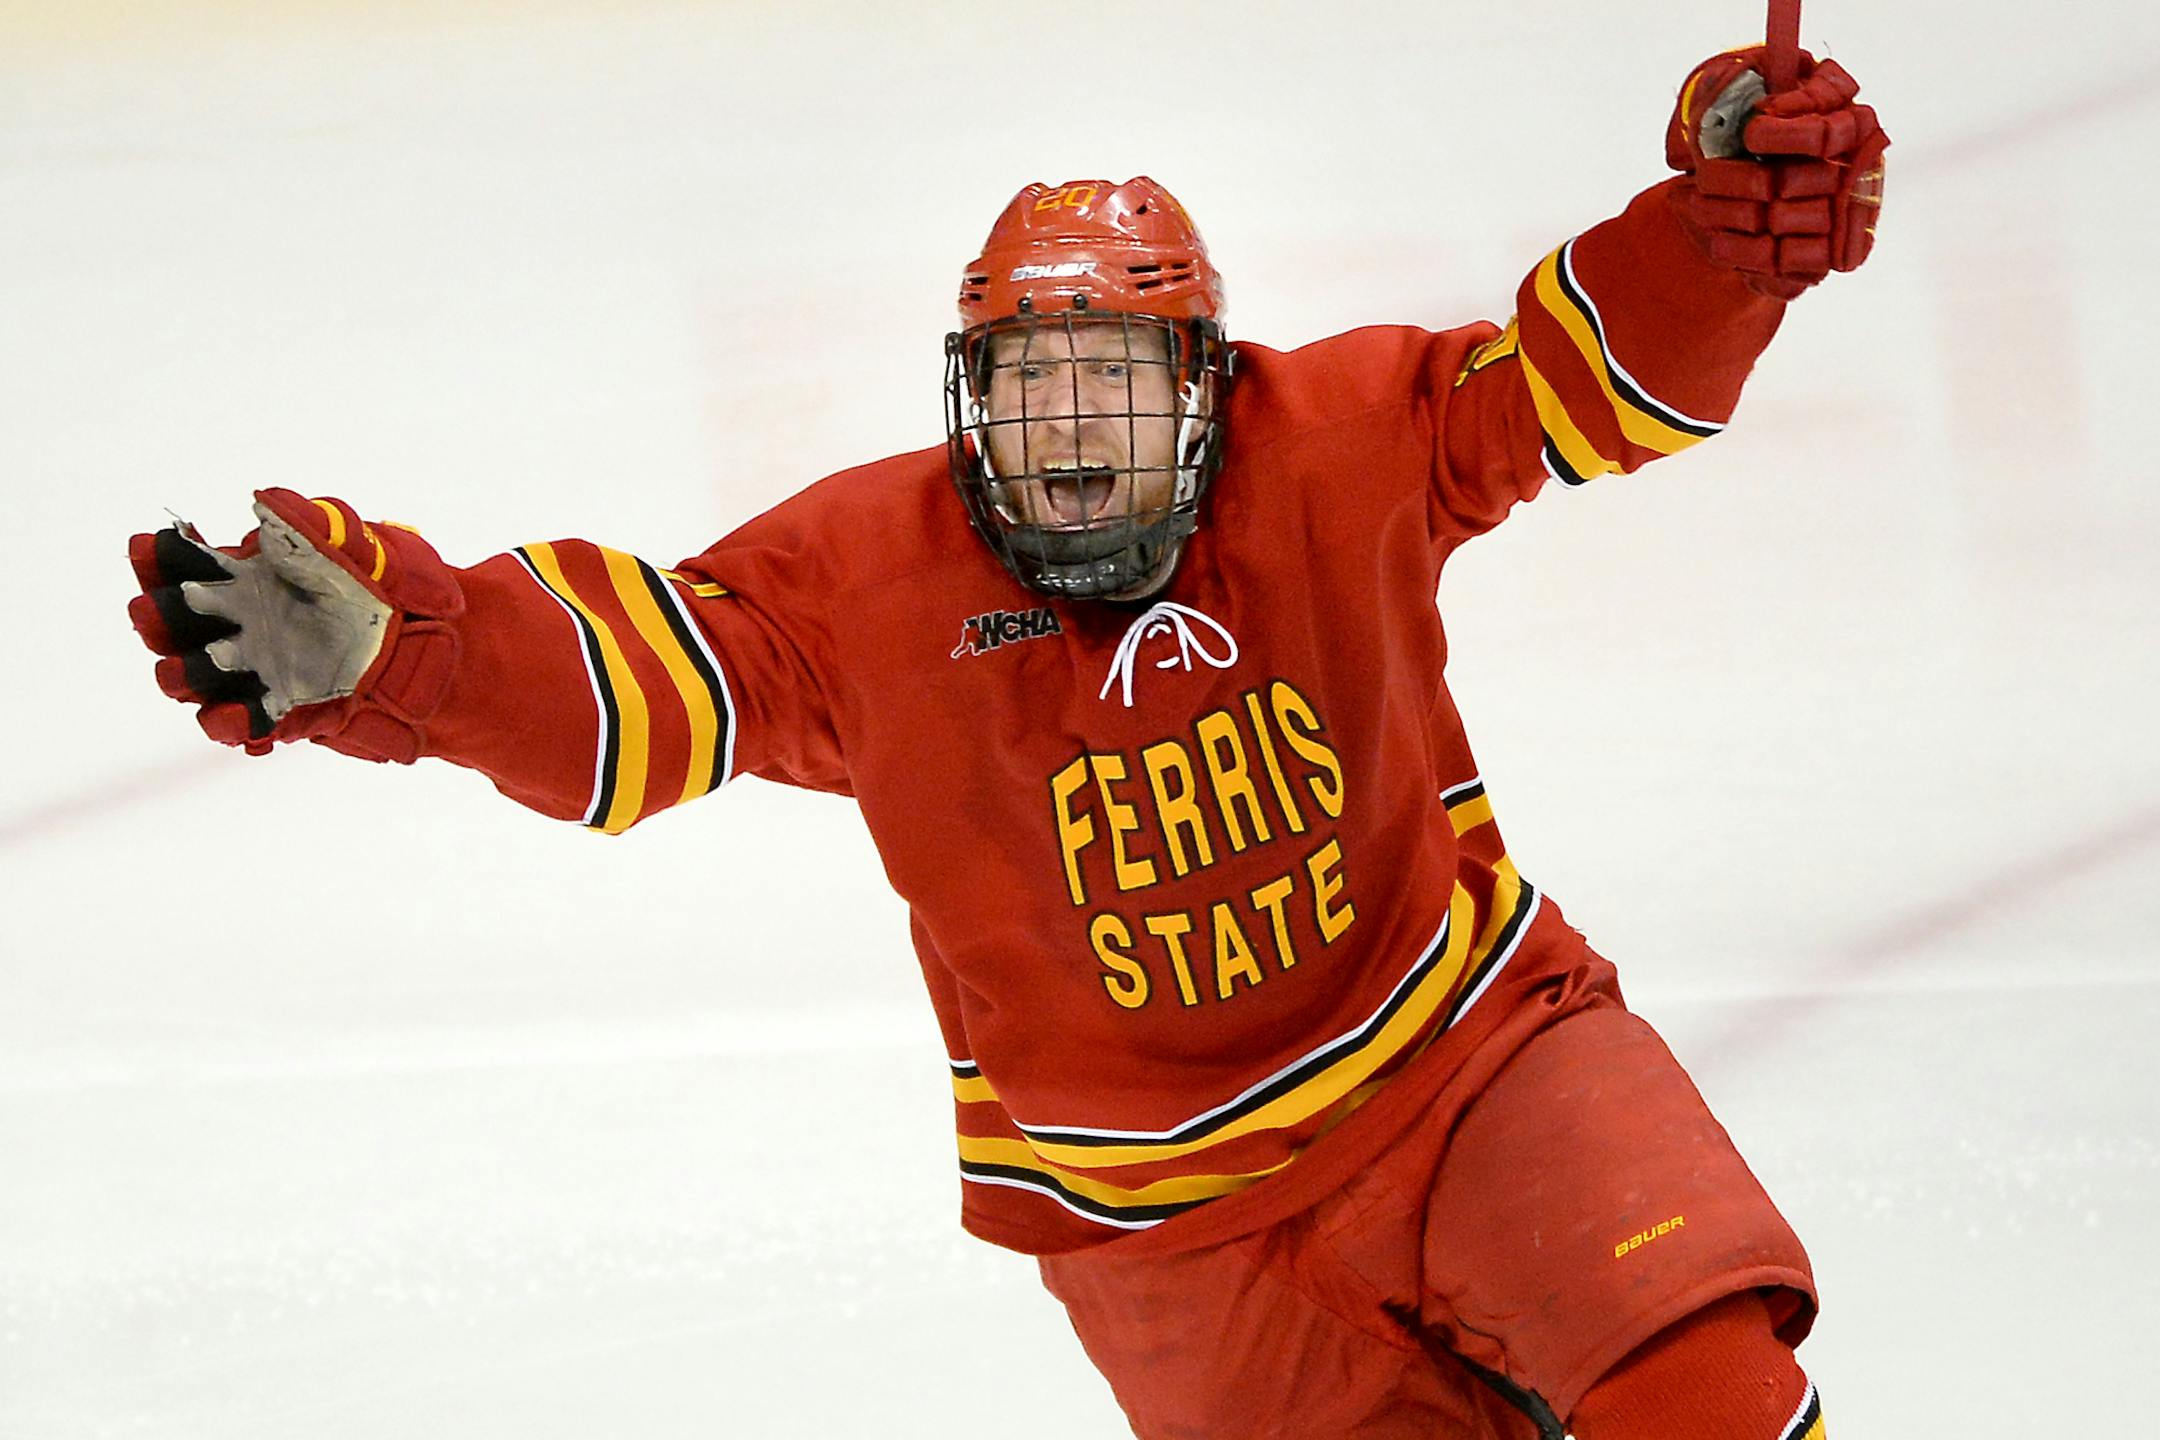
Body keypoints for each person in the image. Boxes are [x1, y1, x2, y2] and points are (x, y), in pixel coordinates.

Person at [128, 41, 1885, 1440]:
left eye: (1117, 384)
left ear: (1208, 385)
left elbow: (1573, 382)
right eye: (1034, 388)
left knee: (1702, 1389)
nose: (1071, 437)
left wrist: (1712, 241)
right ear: (970, 399)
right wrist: (420, 657)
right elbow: (643, 687)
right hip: (1166, 1240)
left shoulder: (1334, 440)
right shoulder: (871, 574)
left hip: (1477, 1070)